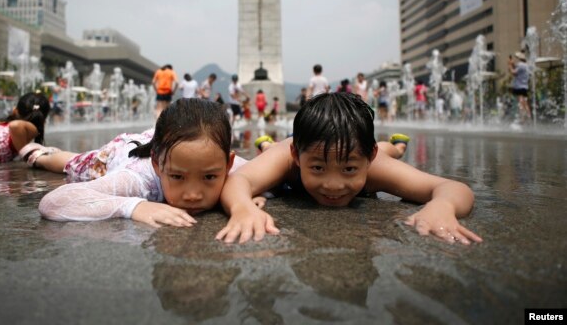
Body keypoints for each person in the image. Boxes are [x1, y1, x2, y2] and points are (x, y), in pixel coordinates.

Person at [216, 92, 482, 245]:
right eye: (318, 168)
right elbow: (240, 180)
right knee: (272, 155)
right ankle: (269, 146)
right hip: (285, 149)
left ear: (367, 159)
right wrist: (242, 208)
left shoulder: (374, 166)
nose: (334, 184)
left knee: (390, 153)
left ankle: (395, 146)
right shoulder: (288, 156)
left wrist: (443, 206)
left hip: (377, 152)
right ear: (297, 156)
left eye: (349, 170)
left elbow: (453, 188)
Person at [37, 98, 258, 225]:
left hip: (164, 143)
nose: (193, 194)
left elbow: (279, 170)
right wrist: (134, 206)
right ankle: (38, 154)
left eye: (209, 177)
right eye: (177, 177)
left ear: (228, 164)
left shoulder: (229, 164)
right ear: (157, 165)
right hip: (120, 153)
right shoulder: (140, 179)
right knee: (74, 163)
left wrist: (246, 197)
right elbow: (53, 202)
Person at [508, 52, 531, 122]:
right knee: (525, 102)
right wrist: (513, 64)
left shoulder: (520, 65)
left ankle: (523, 118)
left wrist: (509, 65)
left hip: (519, 86)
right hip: (525, 86)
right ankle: (528, 115)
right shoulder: (526, 65)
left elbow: (514, 72)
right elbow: (519, 70)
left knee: (521, 101)